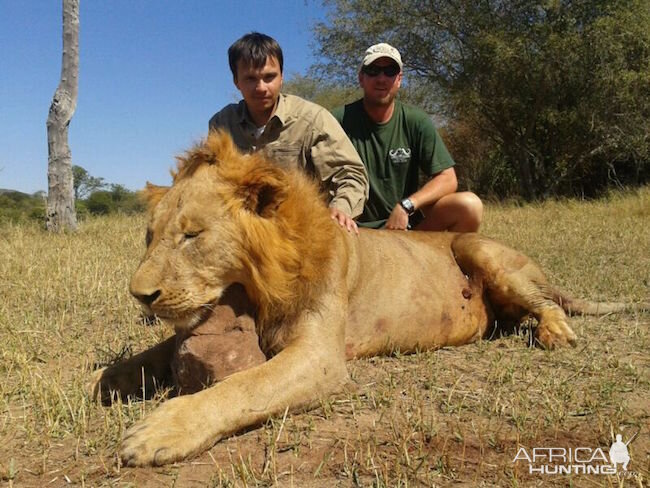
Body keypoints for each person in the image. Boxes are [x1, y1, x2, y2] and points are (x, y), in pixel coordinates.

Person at [209, 32, 368, 233]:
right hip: (241, 234)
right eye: (250, 78)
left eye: (269, 77)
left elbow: (351, 174)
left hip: (299, 234)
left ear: (282, 77)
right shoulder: (222, 123)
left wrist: (341, 208)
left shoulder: (312, 119)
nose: (261, 87)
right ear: (236, 81)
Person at [332, 43, 482, 231]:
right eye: (373, 71)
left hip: (405, 229)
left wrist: (407, 206)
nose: (381, 78)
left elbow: (448, 178)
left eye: (390, 71)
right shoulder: (336, 120)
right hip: (353, 231)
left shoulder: (416, 120)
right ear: (361, 78)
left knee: (469, 205)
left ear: (399, 79)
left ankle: (444, 260)